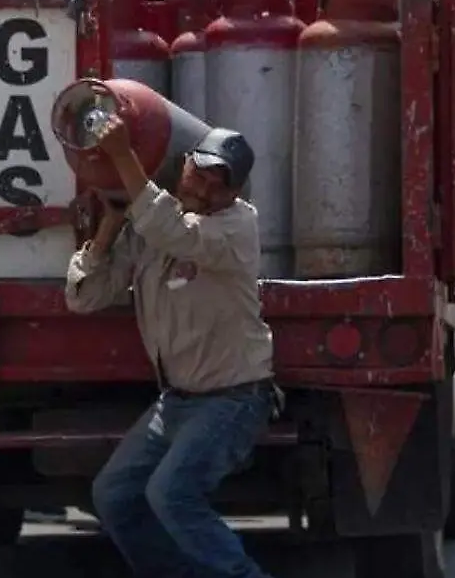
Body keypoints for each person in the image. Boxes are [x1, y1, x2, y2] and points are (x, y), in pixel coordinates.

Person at [65, 117, 278, 578]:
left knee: (171, 493)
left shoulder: (237, 226)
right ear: (183, 165)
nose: (204, 188)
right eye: (199, 173)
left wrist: (122, 156)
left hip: (233, 398)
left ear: (235, 194)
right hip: (177, 401)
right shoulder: (150, 227)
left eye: (219, 184)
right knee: (115, 495)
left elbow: (174, 233)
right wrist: (107, 230)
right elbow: (85, 297)